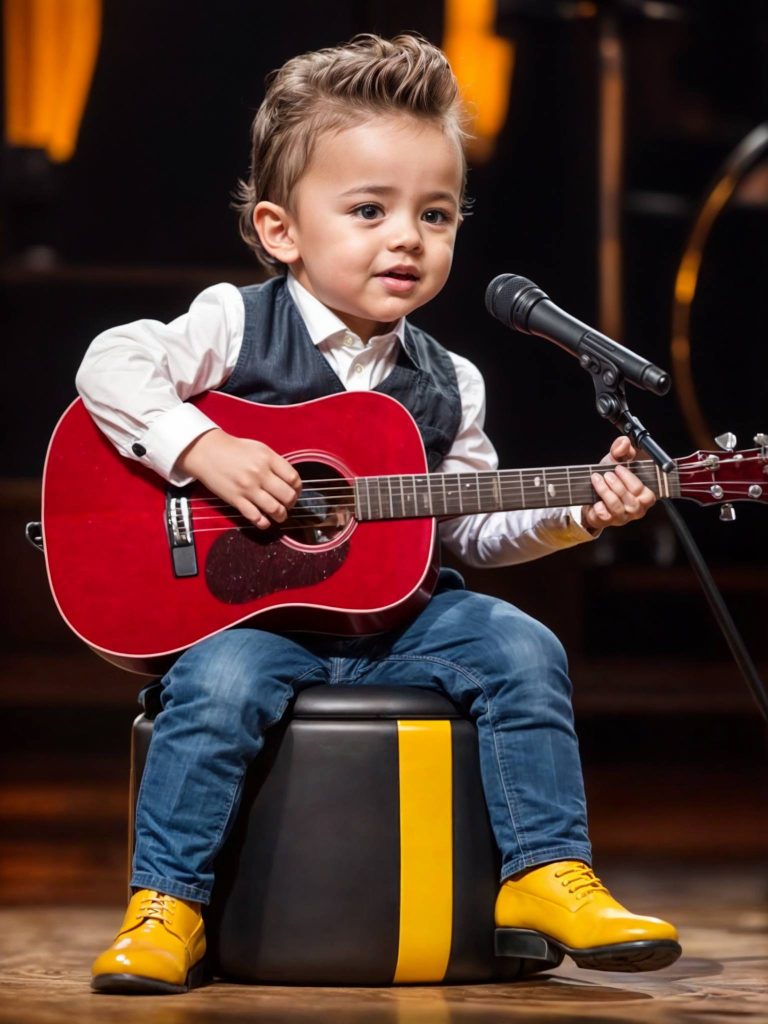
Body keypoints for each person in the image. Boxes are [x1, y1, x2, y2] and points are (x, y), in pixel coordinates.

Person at [78, 33, 680, 995]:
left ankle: (545, 873)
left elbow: (471, 529)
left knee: (522, 648)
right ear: (281, 229)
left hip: (403, 619)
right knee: (219, 689)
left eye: (435, 215)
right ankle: (169, 906)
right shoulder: (237, 323)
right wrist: (205, 449)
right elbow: (110, 364)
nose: (407, 237)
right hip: (257, 618)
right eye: (369, 210)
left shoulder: (452, 380)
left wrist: (580, 513)